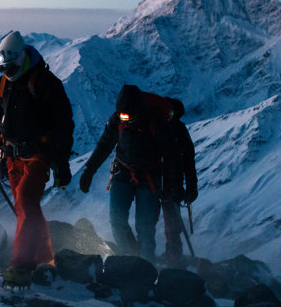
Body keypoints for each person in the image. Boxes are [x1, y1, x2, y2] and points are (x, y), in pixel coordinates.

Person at [0, 31, 74, 286]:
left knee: (25, 203)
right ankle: (45, 259)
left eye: (10, 66)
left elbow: (63, 125)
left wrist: (61, 162)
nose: (7, 71)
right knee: (27, 210)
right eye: (1, 67)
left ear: (22, 59)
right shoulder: (1, 85)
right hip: (12, 157)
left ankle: (21, 267)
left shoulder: (46, 83)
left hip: (38, 156)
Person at [77, 83, 180, 264]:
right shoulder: (118, 120)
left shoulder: (157, 122)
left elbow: (172, 156)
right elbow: (104, 145)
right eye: (121, 115)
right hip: (122, 173)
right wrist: (89, 170)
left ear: (139, 110)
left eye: (127, 115)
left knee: (145, 227)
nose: (124, 119)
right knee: (117, 221)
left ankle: (146, 267)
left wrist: (174, 187)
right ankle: (130, 260)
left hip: (149, 178)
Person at [160, 97, 198, 266]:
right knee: (172, 226)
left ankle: (167, 260)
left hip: (157, 183)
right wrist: (190, 188)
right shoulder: (179, 130)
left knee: (163, 226)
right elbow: (188, 161)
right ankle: (173, 261)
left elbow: (188, 160)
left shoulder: (154, 126)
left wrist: (191, 188)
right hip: (170, 185)